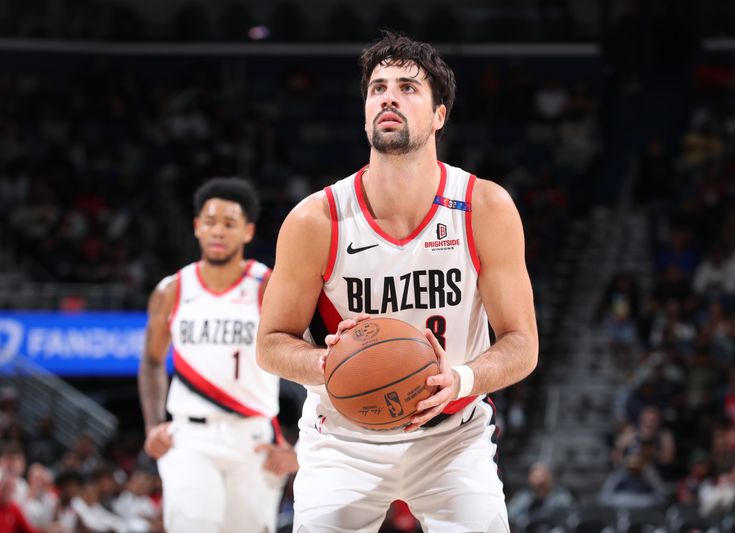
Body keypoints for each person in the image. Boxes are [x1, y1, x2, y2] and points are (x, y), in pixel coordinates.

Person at [256, 31, 539, 532]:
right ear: (366, 113)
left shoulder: (484, 207)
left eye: (408, 87)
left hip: (452, 436)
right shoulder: (316, 220)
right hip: (343, 440)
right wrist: (327, 362)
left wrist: (461, 380)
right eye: (378, 88)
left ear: (439, 116)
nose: (389, 96)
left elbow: (522, 345)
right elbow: (271, 344)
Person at [138, 177, 293, 533]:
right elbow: (150, 361)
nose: (217, 232)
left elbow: (306, 357)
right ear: (196, 227)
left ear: (248, 232)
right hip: (190, 437)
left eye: (229, 224)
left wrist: (300, 445)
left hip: (256, 440)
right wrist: (151, 426)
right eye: (209, 222)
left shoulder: (267, 286)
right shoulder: (172, 290)